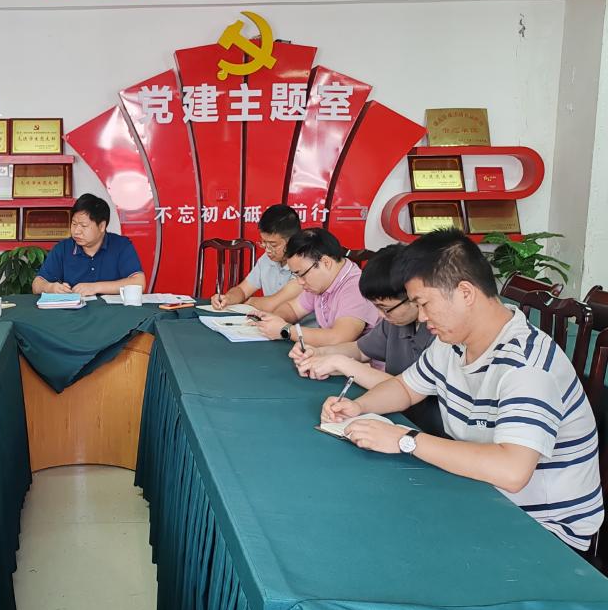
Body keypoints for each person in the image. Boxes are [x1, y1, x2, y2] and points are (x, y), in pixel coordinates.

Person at [323, 230, 603, 556]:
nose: (421, 317)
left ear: (465, 293)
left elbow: (511, 471)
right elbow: (405, 387)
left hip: (543, 532)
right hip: (482, 497)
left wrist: (405, 439)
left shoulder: (526, 366)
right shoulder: (452, 343)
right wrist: (357, 407)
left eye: (424, 304)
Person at [289, 244, 444, 436]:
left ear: (413, 295)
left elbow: (407, 387)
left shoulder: (442, 333)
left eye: (385, 308)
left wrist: (341, 363)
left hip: (427, 430)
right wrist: (319, 353)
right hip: (394, 415)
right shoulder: (396, 321)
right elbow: (361, 350)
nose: (380, 315)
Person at [250, 228, 380, 346]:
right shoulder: (321, 283)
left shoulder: (356, 287)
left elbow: (339, 338)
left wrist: (286, 330)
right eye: (296, 275)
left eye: (302, 274)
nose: (300, 282)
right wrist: (274, 320)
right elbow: (292, 308)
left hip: (363, 363)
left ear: (326, 263)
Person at [32, 193, 145, 297]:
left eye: (83, 226)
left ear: (102, 226)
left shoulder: (121, 246)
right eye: (74, 224)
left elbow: (139, 283)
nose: (76, 231)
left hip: (112, 311)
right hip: (73, 311)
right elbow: (37, 284)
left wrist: (95, 287)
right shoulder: (63, 248)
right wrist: (50, 287)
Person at [210, 204, 302, 312]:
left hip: (298, 323)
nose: (267, 250)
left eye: (273, 245)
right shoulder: (265, 260)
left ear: (292, 241)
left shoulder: (303, 264)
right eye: (264, 242)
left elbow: (273, 304)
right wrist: (227, 298)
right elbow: (242, 290)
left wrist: (249, 302)